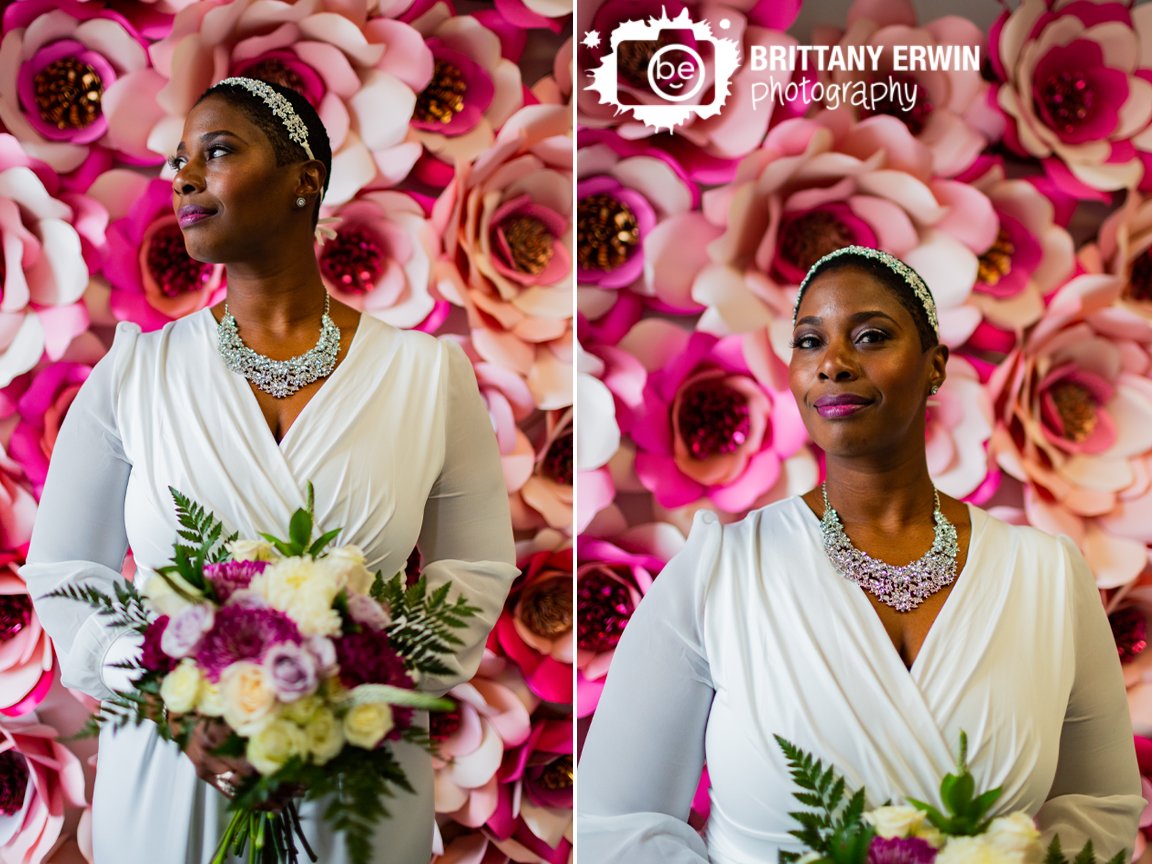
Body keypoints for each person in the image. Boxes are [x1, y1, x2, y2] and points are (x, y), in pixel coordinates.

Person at [22, 77, 518, 863]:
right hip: (168, 773)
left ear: (305, 180)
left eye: (216, 152)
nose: (183, 177)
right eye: (180, 160)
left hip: (356, 770)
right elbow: (62, 572)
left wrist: (355, 682)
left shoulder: (429, 377)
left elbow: (477, 567)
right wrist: (176, 692)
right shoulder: (134, 375)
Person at [576, 245, 1144, 862]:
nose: (834, 364)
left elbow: (1098, 809)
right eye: (809, 342)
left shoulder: (1047, 578)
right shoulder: (720, 572)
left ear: (935, 367)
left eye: (871, 336)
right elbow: (618, 822)